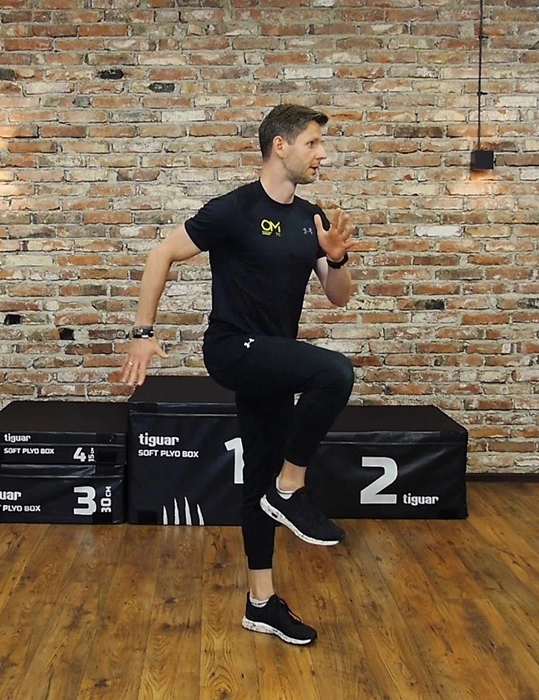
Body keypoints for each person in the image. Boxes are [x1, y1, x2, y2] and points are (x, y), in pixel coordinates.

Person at [120, 104, 357, 646]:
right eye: (313, 143)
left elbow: (338, 298)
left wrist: (337, 259)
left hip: (272, 360)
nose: (322, 154)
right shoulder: (235, 209)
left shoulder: (312, 218)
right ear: (281, 146)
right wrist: (143, 332)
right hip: (233, 348)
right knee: (334, 373)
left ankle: (260, 602)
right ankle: (291, 490)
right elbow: (162, 254)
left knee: (259, 479)